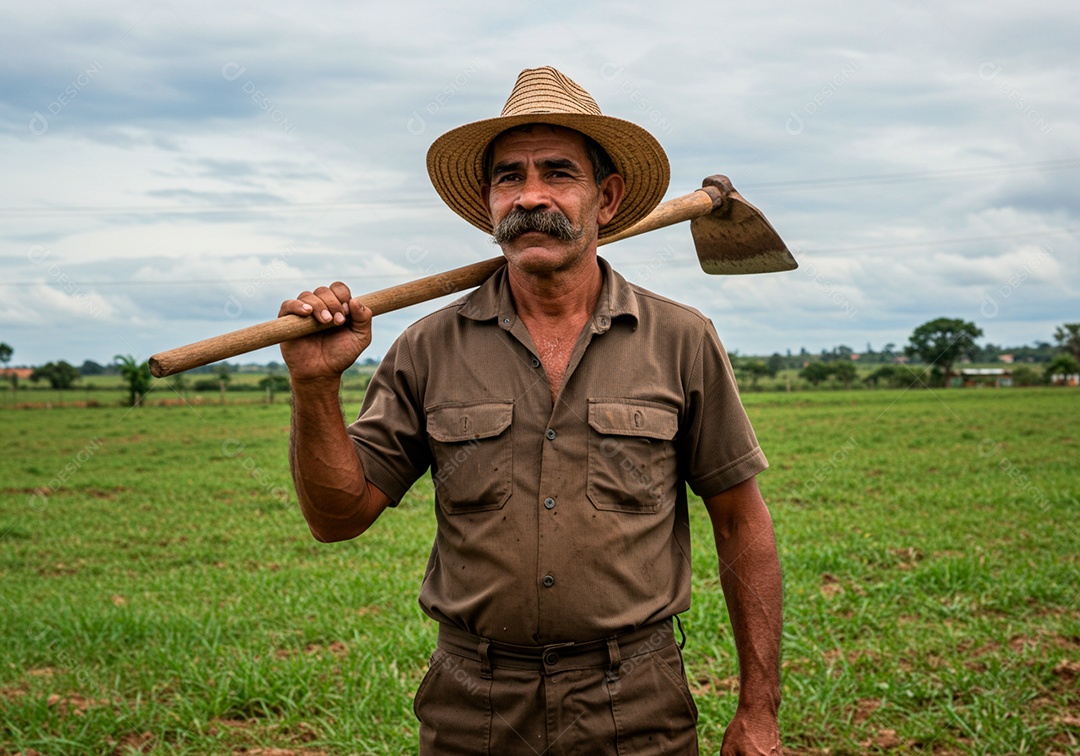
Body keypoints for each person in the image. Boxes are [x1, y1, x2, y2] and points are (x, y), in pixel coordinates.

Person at [279, 67, 783, 755]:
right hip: (472, 706)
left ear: (607, 198)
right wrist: (313, 389)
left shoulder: (680, 340)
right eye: (509, 178)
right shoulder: (427, 348)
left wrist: (759, 707)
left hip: (634, 701)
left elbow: (740, 520)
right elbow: (337, 518)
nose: (531, 196)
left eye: (557, 173)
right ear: (489, 202)